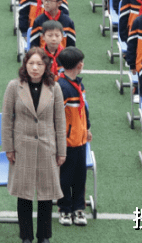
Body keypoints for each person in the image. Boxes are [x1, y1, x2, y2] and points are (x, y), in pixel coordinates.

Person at [2, 47, 66, 243]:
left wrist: (61, 150)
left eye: (39, 64)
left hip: (48, 147)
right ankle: (26, 237)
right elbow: (7, 120)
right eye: (31, 63)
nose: (35, 68)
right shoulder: (14, 87)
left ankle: (44, 236)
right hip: (22, 147)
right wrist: (9, 147)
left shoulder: (54, 88)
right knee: (24, 194)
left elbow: (60, 121)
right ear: (25, 65)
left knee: (46, 195)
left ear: (46, 66)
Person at [56, 47, 90, 227]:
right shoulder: (61, 87)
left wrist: (88, 128)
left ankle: (79, 208)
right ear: (79, 65)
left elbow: (84, 110)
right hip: (67, 142)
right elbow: (57, 117)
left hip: (81, 140)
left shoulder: (79, 84)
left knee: (80, 177)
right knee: (65, 178)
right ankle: (64, 209)